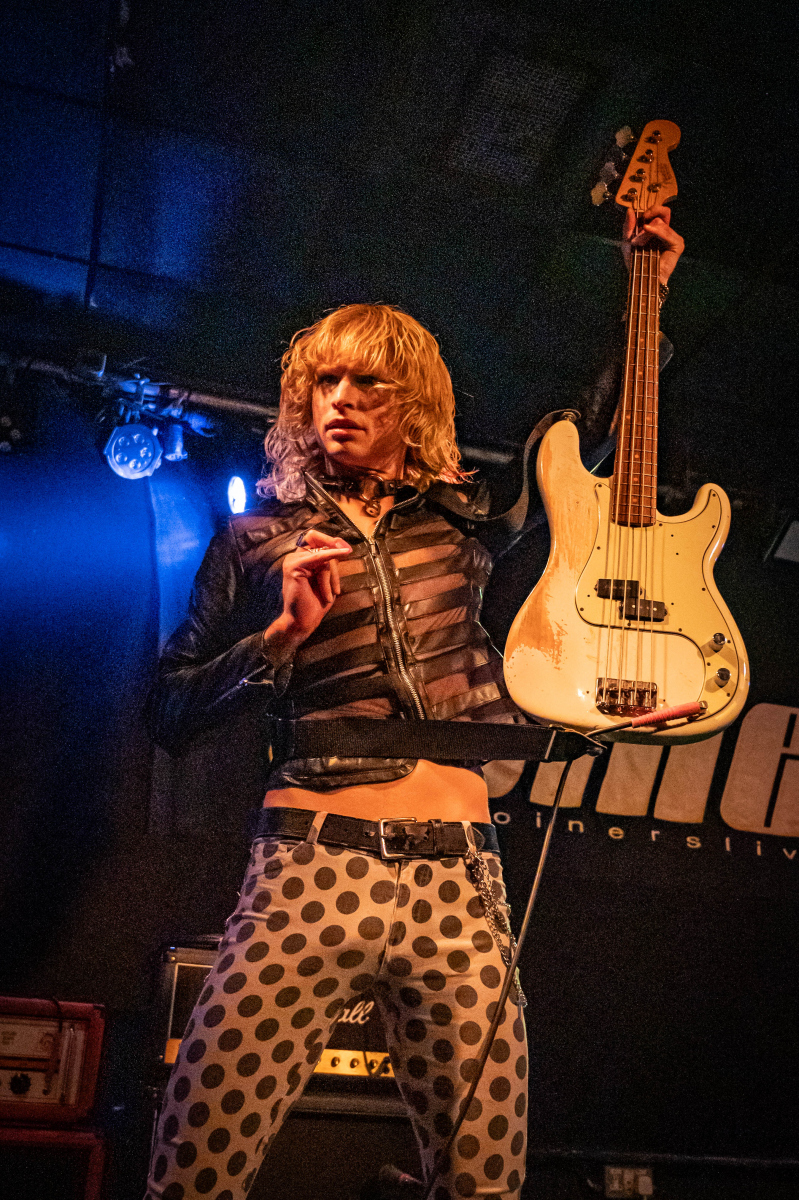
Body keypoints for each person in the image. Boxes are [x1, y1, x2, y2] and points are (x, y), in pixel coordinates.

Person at [144, 207, 684, 1200]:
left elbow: (588, 435)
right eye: (323, 384)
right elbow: (169, 711)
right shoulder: (256, 540)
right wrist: (280, 639)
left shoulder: (466, 523)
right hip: (310, 866)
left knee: (483, 1178)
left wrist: (643, 292)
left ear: (415, 405)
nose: (340, 402)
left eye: (368, 384)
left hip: (459, 878)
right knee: (196, 1163)